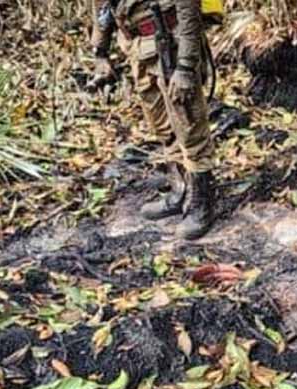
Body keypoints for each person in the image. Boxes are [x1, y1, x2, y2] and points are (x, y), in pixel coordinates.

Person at [90, 0, 218, 239]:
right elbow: (101, 5)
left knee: (189, 126)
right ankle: (181, 190)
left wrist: (186, 66)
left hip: (172, 43)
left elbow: (189, 11)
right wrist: (100, 51)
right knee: (163, 127)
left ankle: (202, 203)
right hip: (137, 47)